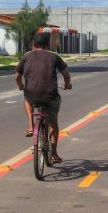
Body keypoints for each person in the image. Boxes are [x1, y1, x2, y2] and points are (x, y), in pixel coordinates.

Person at [15, 33, 72, 163]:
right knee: (53, 122)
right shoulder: (54, 56)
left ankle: (30, 125)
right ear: (47, 45)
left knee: (27, 98)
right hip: (51, 96)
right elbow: (66, 75)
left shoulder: (26, 56)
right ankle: (54, 154)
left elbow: (17, 77)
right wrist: (67, 85)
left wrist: (21, 86)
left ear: (33, 44)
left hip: (32, 95)